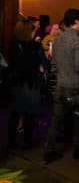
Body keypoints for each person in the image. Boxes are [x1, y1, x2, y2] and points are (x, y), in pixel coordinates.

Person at [43, 8, 79, 164]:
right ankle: (78, 149)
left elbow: (53, 66)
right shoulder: (77, 41)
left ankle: (49, 150)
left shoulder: (58, 39)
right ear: (76, 21)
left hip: (60, 86)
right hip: (74, 86)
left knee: (56, 119)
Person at [7, 18, 43, 150]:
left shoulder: (12, 44)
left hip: (16, 83)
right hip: (31, 84)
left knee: (15, 114)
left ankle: (11, 142)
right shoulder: (34, 46)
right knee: (29, 115)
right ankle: (27, 142)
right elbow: (40, 65)